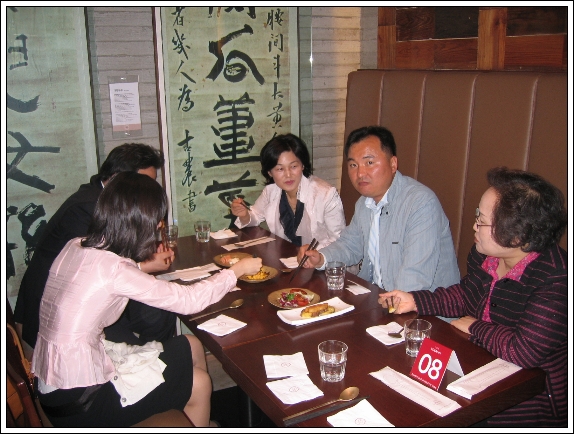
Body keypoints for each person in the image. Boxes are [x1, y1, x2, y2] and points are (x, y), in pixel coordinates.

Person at [31, 172, 262, 427]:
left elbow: (100, 279)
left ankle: (197, 420)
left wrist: (141, 267)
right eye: (157, 220)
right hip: (80, 397)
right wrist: (235, 271)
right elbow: (188, 300)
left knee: (191, 344)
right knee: (199, 383)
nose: (159, 226)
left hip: (52, 379)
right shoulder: (113, 269)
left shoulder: (77, 245)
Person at [379, 167, 567, 427]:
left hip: (531, 399)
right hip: (484, 371)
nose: (474, 226)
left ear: (517, 235)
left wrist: (475, 327)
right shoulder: (485, 255)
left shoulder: (555, 278)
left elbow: (524, 351)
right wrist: (415, 300)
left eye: (482, 221)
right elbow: (466, 295)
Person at [14, 143, 176, 351]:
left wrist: (146, 256)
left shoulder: (106, 199)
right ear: (117, 177)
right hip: (59, 313)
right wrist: (144, 267)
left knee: (160, 312)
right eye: (144, 182)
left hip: (93, 297)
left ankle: (157, 359)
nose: (149, 190)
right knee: (152, 315)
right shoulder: (86, 209)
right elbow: (90, 272)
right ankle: (148, 362)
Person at [301, 126, 460, 295]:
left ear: (393, 164)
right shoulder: (364, 203)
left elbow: (415, 278)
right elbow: (350, 245)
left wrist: (381, 307)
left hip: (423, 306)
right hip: (377, 295)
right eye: (353, 165)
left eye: (369, 163)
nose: (360, 173)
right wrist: (321, 258)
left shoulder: (420, 203)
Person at [230, 133, 346, 248]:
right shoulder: (270, 192)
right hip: (285, 256)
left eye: (293, 166)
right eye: (280, 169)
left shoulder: (326, 195)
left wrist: (316, 254)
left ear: (302, 165)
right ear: (270, 172)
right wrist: (244, 215)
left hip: (321, 258)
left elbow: (340, 241)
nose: (288, 175)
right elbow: (255, 216)